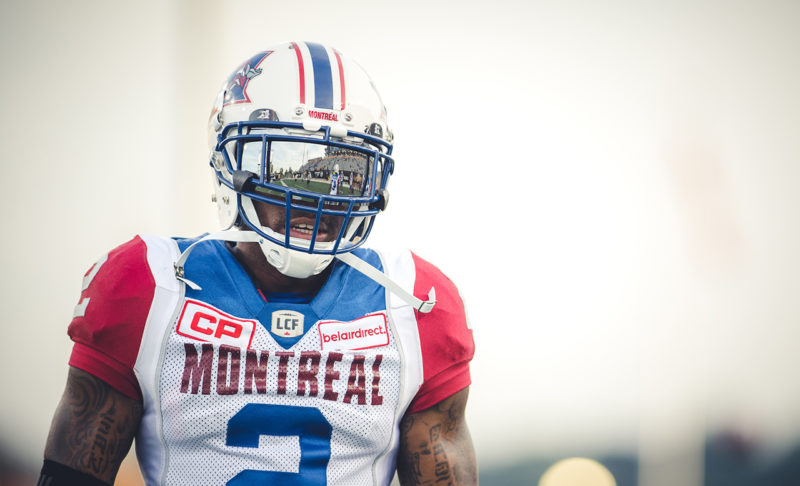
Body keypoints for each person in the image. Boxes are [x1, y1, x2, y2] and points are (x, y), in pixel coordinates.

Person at [39, 41, 477, 486]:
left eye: (347, 171)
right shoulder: (151, 286)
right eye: (290, 165)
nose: (318, 196)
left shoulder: (415, 303)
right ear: (232, 163)